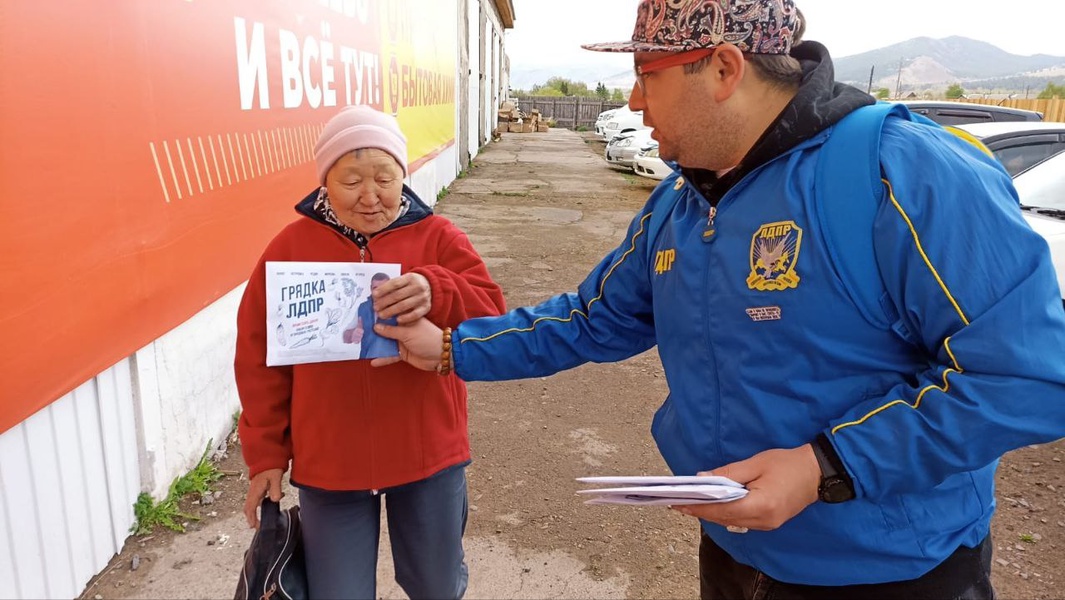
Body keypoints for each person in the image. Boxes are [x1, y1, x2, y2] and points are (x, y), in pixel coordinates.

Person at [372, 1, 1065, 598]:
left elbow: (1027, 378)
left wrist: (824, 465)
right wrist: (452, 349)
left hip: (893, 573)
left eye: (647, 75)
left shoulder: (906, 172)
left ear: (725, 69)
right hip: (733, 552)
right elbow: (595, 317)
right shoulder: (679, 199)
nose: (633, 102)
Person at [235, 104, 506, 600]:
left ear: (403, 176)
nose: (369, 196)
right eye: (351, 179)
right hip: (330, 462)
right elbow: (259, 361)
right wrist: (266, 455)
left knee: (437, 585)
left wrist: (436, 289)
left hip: (427, 452)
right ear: (323, 182)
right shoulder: (289, 249)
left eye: (384, 178)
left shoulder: (438, 237)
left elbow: (492, 310)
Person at [343, 272, 400, 359]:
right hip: (366, 363)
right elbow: (345, 337)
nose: (379, 293)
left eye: (383, 288)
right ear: (370, 289)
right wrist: (353, 334)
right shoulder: (363, 308)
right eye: (375, 288)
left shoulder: (400, 307)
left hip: (395, 363)